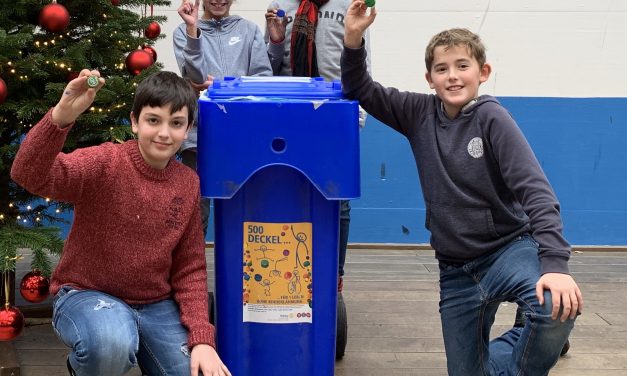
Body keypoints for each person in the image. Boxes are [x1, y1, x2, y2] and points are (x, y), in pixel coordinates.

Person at [340, 2, 583, 375]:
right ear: (429, 78)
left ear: (482, 73)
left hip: (508, 250)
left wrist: (556, 265)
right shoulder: (418, 113)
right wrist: (354, 38)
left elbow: (536, 192)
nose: (452, 76)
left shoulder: (492, 118)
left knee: (553, 305)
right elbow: (361, 89)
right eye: (442, 69)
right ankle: (524, 336)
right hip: (456, 269)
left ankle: (534, 337)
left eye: (462, 66)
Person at [11, 70, 231, 376]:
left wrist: (203, 339)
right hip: (88, 295)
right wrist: (61, 116)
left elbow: (190, 266)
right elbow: (27, 173)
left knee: (196, 369)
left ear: (188, 128)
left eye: (176, 123)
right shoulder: (105, 163)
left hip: (157, 304)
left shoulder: (188, 183)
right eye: (153, 120)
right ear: (134, 121)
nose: (164, 133)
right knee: (110, 344)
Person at [265, 0, 371, 292]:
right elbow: (267, 68)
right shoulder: (280, 5)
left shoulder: (349, 5)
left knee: (338, 198)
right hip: (288, 115)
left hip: (334, 114)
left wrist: (357, 114)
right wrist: (275, 37)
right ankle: (292, 271)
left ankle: (333, 278)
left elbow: (361, 59)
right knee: (289, 192)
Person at [174, 0, 273, 236]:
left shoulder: (249, 30)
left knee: (243, 210)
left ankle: (241, 271)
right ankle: (192, 272)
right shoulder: (183, 32)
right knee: (197, 212)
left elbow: (262, 80)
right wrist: (192, 30)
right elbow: (196, 78)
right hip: (200, 136)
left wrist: (220, 85)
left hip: (243, 136)